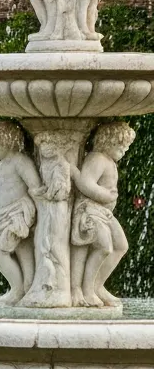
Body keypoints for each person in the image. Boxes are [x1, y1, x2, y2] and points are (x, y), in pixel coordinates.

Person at [69, 121, 134, 307]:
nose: (124, 151)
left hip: (104, 212)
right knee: (104, 247)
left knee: (121, 246)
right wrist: (106, 195)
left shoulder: (109, 161)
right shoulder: (97, 158)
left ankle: (97, 286)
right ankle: (87, 290)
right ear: (107, 141)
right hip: (90, 209)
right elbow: (85, 183)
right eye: (120, 147)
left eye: (125, 148)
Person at [0, 122, 40, 302]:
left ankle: (18, 289)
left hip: (17, 212)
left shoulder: (20, 160)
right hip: (2, 213)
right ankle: (24, 288)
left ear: (5, 141)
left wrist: (36, 215)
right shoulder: (2, 165)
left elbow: (35, 186)